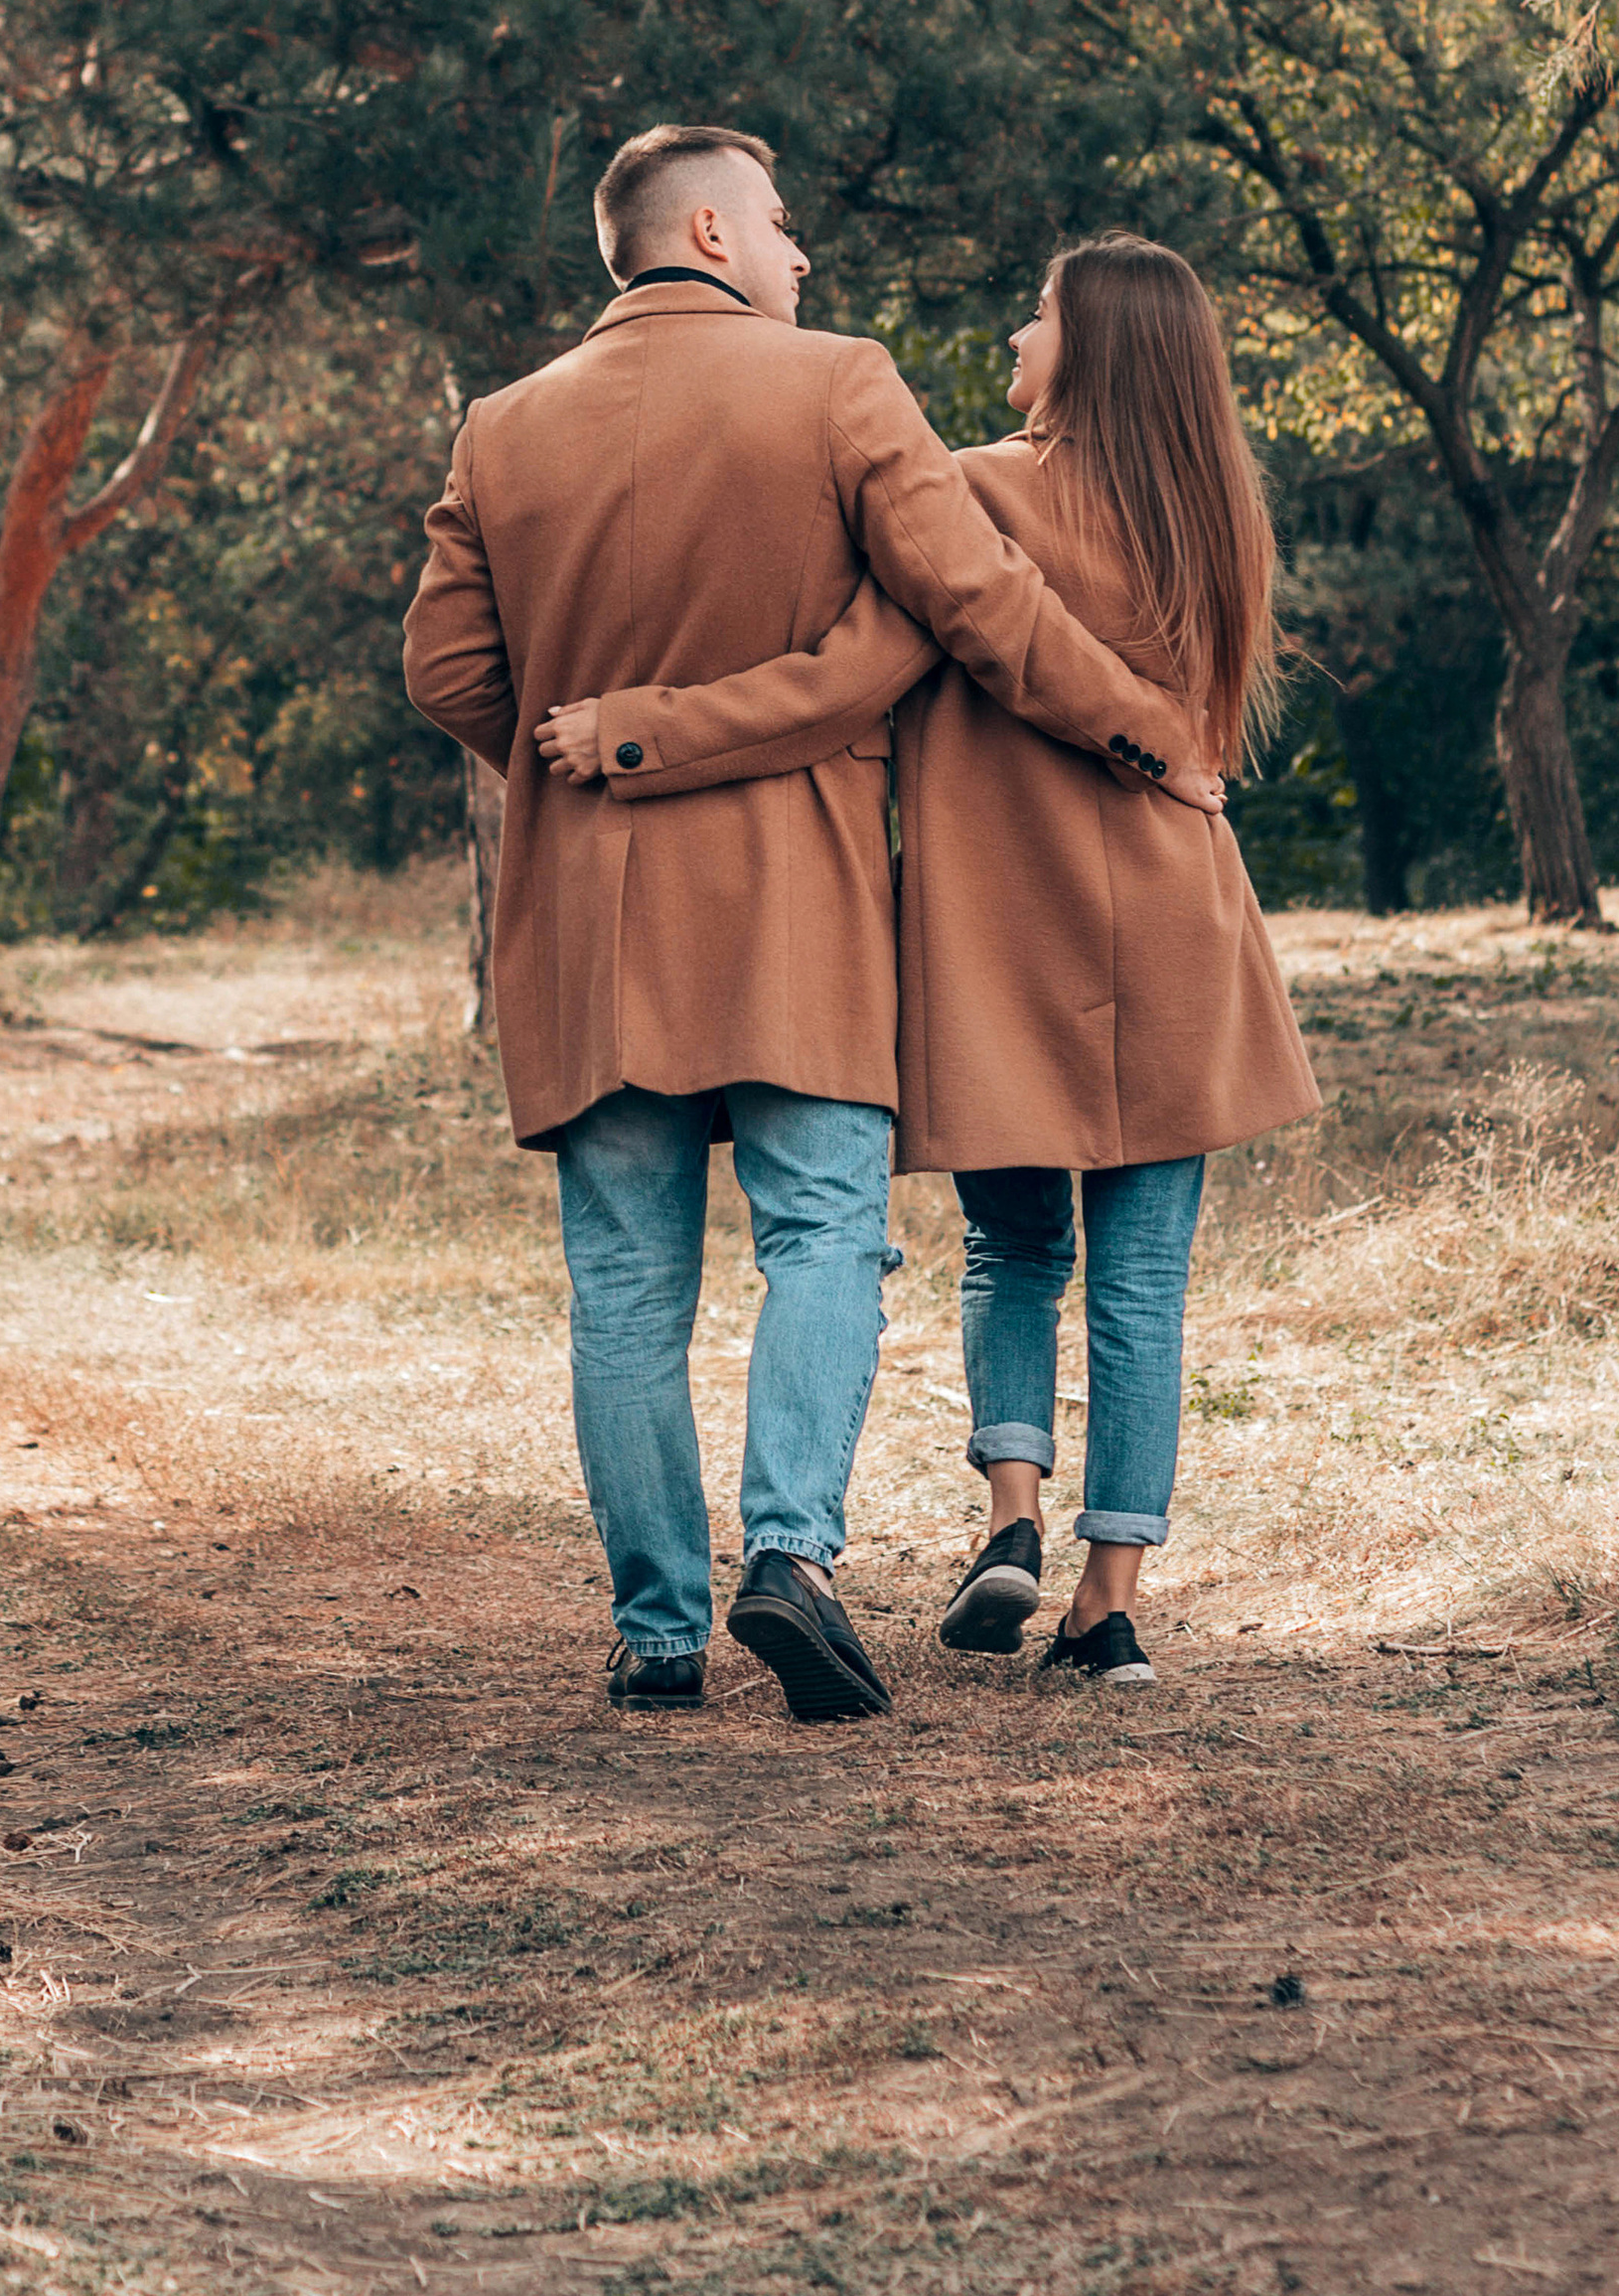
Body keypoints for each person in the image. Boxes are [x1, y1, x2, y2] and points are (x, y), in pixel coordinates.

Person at [401, 134, 1224, 1727]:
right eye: (781, 226)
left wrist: (588, 751)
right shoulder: (841, 386)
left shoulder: (499, 431)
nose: (801, 256)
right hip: (798, 909)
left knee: (627, 1290)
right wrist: (1148, 734)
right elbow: (974, 612)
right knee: (824, 1240)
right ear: (708, 228)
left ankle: (656, 1638)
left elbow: (445, 675)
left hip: (587, 919)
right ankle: (793, 1554)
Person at [538, 233, 1318, 1689]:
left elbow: (852, 676)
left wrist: (645, 728)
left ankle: (1011, 1517)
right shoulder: (1221, 521)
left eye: (1037, 316)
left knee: (1015, 1247)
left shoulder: (968, 488)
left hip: (999, 943)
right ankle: (1111, 1606)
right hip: (1176, 923)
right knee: (1145, 1288)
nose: (1018, 337)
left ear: (1086, 351)